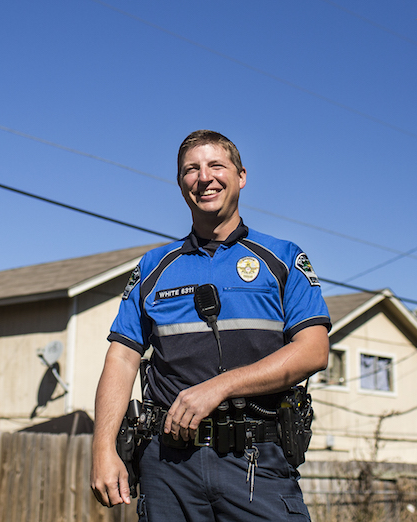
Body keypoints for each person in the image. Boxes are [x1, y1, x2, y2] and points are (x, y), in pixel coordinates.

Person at [90, 130, 331, 521]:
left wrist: (218, 388)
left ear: (241, 176)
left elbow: (313, 350)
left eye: (217, 165)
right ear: (181, 183)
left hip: (257, 462)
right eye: (191, 169)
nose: (204, 177)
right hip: (167, 466)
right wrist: (103, 449)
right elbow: (120, 359)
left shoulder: (283, 258)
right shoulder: (153, 268)